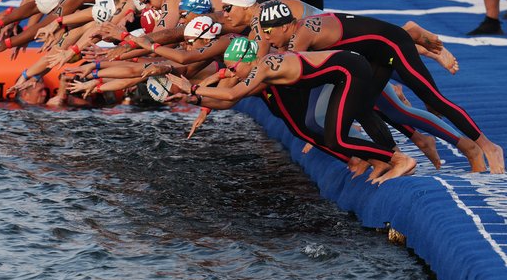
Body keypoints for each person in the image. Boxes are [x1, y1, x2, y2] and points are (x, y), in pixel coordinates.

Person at [276, 8, 505, 174]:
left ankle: (489, 147)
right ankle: (393, 157)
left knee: (434, 99)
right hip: (372, 54)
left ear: (285, 26)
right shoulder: (293, 31)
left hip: (392, 45)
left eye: (268, 33)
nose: (267, 39)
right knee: (363, 107)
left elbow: (296, 72)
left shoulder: (300, 37)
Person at [168, 37, 417, 184]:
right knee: (315, 129)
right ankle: (376, 160)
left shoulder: (263, 68)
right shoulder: (254, 68)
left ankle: (397, 159)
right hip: (332, 78)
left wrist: (194, 89)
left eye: (233, 68)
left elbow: (232, 94)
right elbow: (228, 94)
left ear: (247, 59)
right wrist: (195, 97)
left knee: (332, 133)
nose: (231, 73)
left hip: (346, 71)